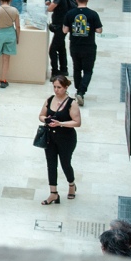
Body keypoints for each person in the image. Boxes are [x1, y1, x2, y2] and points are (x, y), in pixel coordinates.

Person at [39, 75, 81, 205]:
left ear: (66, 87)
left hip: (66, 138)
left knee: (65, 163)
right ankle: (53, 193)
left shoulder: (71, 103)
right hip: (50, 137)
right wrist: (46, 119)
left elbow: (77, 122)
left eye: (59, 87)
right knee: (51, 164)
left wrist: (60, 123)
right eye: (54, 87)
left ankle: (71, 184)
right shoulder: (50, 99)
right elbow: (41, 115)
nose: (56, 90)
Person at [63, 0, 102, 106]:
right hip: (89, 46)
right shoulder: (93, 14)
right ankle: (81, 91)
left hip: (75, 46)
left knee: (76, 68)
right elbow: (99, 30)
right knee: (88, 70)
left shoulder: (70, 14)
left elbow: (64, 30)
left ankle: (78, 90)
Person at [43, 0, 74, 77]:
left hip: (61, 28)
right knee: (61, 48)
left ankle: (55, 71)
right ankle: (64, 69)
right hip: (61, 27)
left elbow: (50, 9)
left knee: (52, 50)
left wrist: (47, 6)